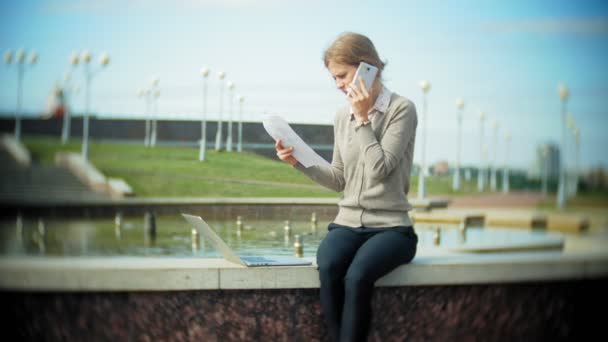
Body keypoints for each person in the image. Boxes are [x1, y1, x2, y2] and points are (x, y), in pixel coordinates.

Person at [275, 32, 419, 342]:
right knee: (327, 266)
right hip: (347, 223)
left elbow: (380, 170)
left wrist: (364, 118)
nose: (339, 84)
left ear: (367, 67)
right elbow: (339, 177)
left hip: (392, 228)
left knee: (357, 277)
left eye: (342, 75)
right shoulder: (342, 116)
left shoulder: (402, 109)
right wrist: (297, 162)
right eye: (334, 78)